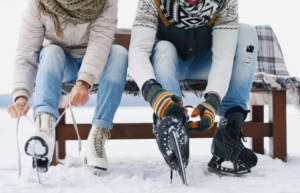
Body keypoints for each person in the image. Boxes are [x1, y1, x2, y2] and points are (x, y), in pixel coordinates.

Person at [129, 0, 258, 180]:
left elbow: (223, 55)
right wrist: (151, 90)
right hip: (167, 63)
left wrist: (214, 98)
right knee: (163, 47)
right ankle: (171, 123)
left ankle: (228, 132)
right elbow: (139, 49)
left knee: (246, 33)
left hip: (206, 62)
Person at [7, 0, 128, 173]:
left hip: (97, 66)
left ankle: (98, 136)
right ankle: (45, 129)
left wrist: (84, 82)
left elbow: (101, 41)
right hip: (62, 64)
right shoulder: (38, 3)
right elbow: (26, 53)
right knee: (51, 51)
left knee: (119, 54)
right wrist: (21, 96)